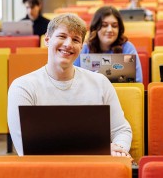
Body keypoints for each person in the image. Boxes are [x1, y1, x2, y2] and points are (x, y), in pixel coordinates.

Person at [8, 13, 133, 158]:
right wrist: (96, 149)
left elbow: (121, 130)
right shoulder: (22, 87)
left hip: (96, 170)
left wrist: (118, 151)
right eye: (62, 36)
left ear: (81, 47)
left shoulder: (101, 82)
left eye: (75, 40)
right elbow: (26, 148)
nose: (68, 44)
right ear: (47, 40)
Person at [74, 6, 143, 83]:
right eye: (104, 25)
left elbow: (138, 81)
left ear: (119, 29)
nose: (110, 30)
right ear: (95, 27)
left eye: (114, 26)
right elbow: (74, 80)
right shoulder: (84, 49)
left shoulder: (127, 48)